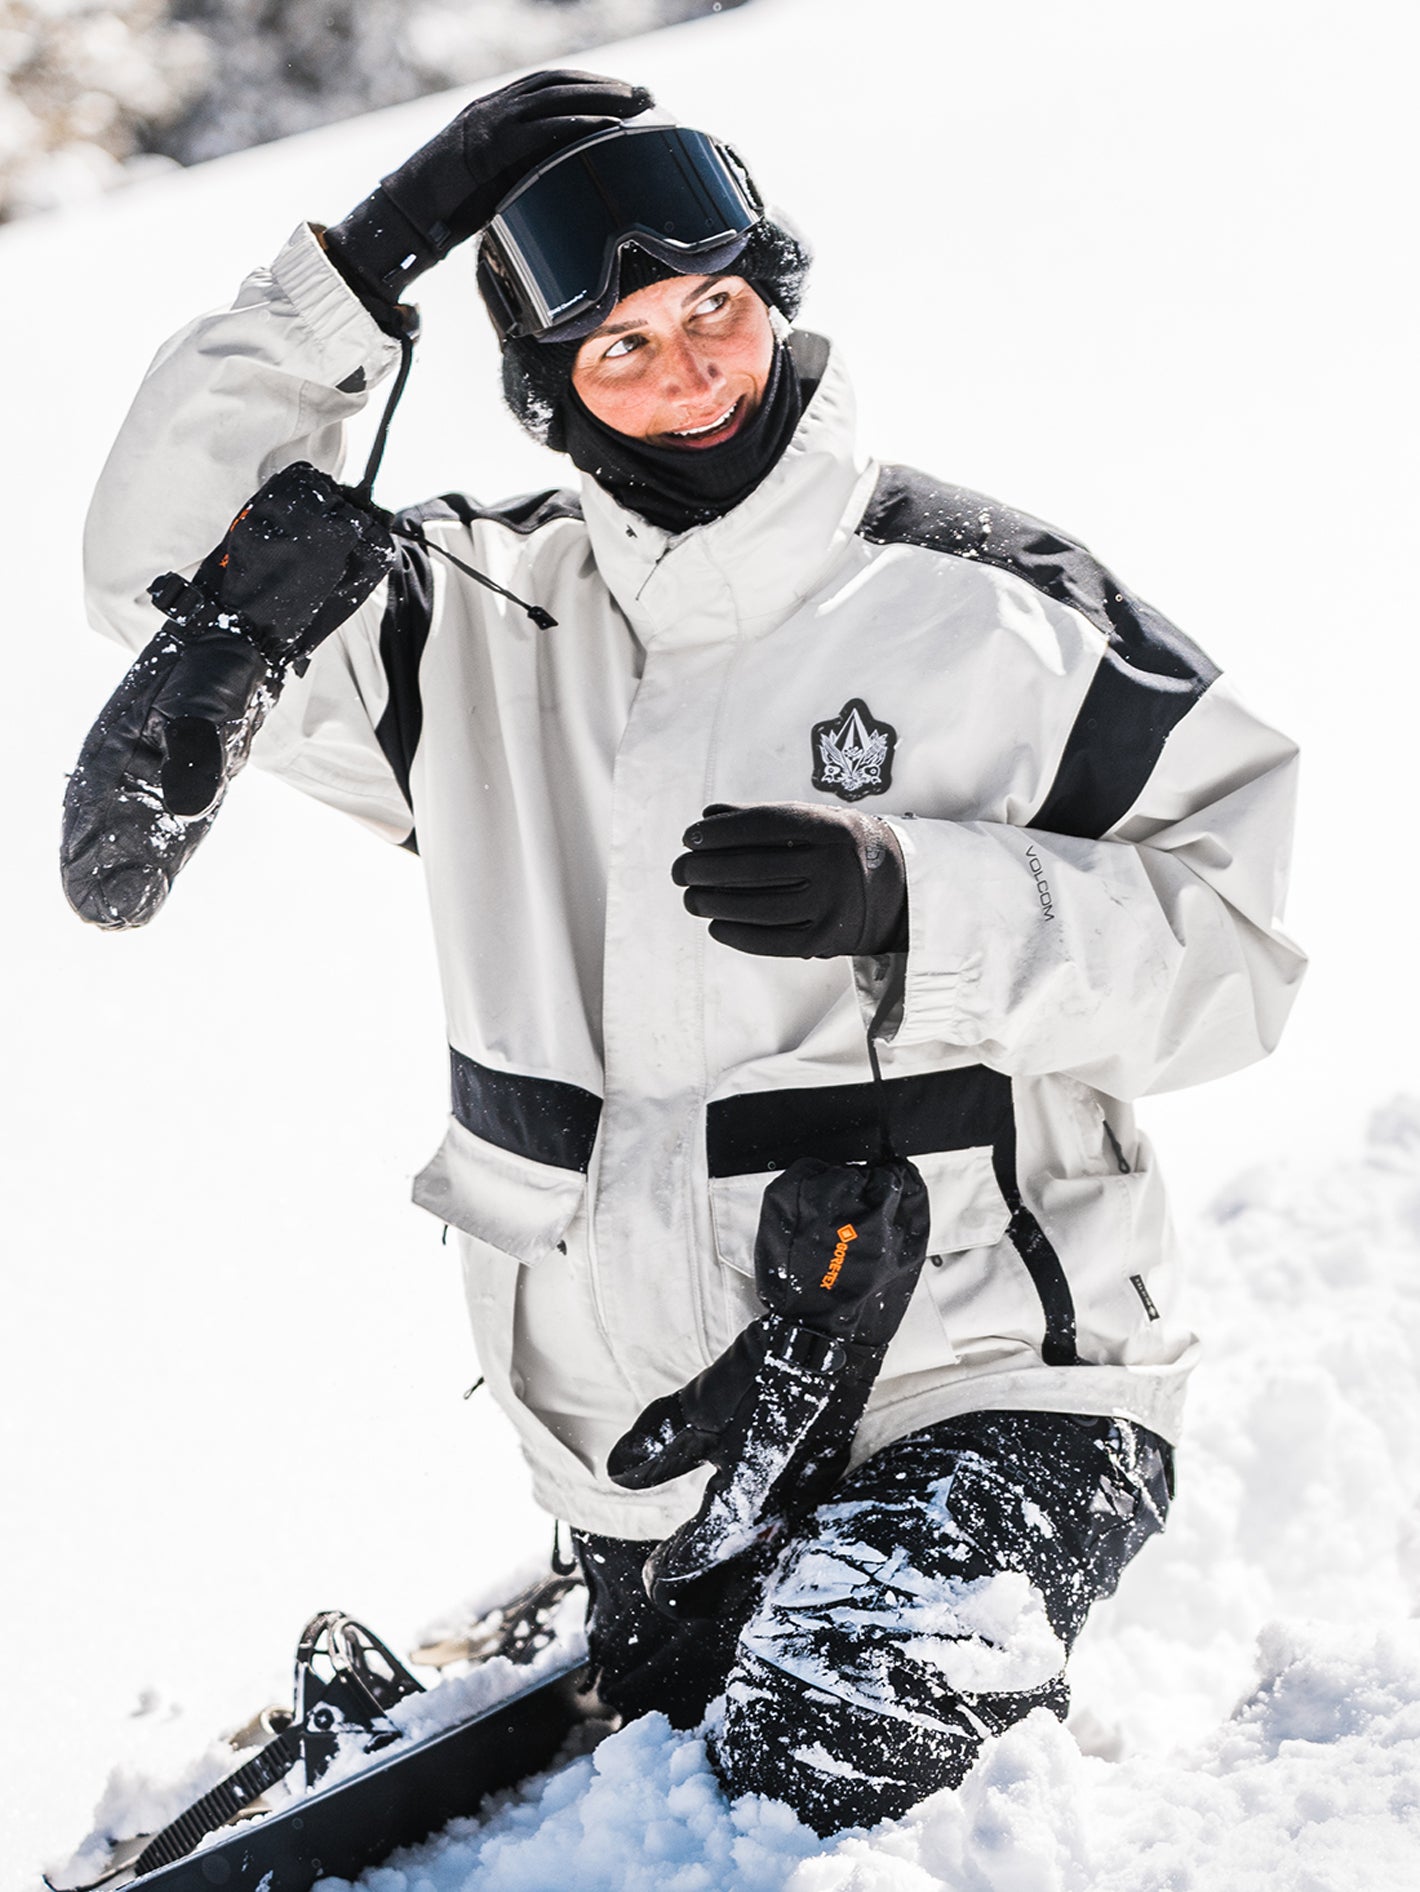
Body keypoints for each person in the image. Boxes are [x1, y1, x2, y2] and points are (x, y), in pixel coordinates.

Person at [79, 70, 1305, 1835]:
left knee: (807, 1776)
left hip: (995, 1390)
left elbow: (1237, 952)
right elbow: (158, 576)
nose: (694, 373)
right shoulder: (470, 622)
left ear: (773, 292)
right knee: (695, 1741)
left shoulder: (997, 606)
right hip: (654, 1453)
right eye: (625, 347)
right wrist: (361, 265)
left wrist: (922, 899)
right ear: (547, 388)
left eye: (716, 308)